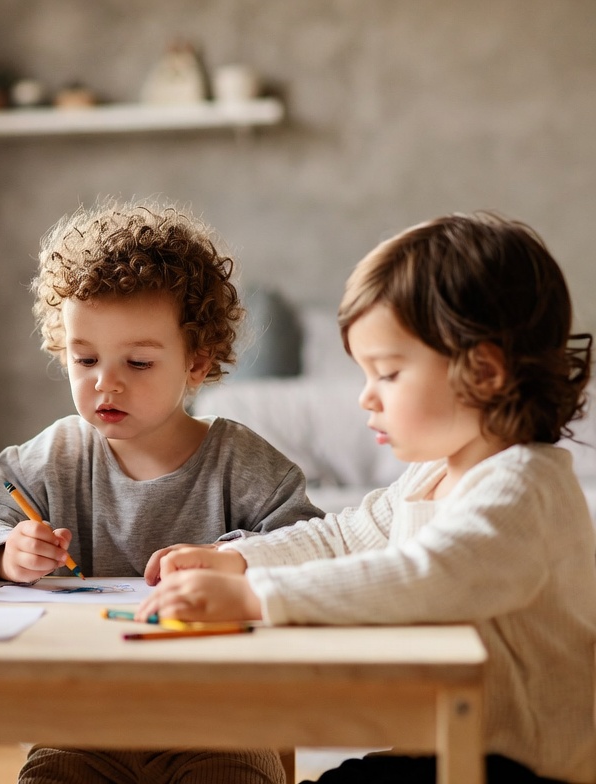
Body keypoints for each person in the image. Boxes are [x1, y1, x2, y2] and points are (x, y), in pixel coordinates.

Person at [138, 212, 596, 784]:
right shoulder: (435, 475)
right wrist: (239, 558)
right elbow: (343, 535)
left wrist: (255, 596)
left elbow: (429, 576)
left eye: (388, 373)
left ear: (482, 371)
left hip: (521, 766)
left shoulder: (525, 486)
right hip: (442, 750)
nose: (366, 399)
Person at [0, 201, 324, 784]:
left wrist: (230, 561)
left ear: (197, 362)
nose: (106, 381)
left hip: (222, 723)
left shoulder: (243, 463)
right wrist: (5, 551)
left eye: (140, 361)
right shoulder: (54, 456)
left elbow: (311, 546)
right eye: (85, 358)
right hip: (81, 726)